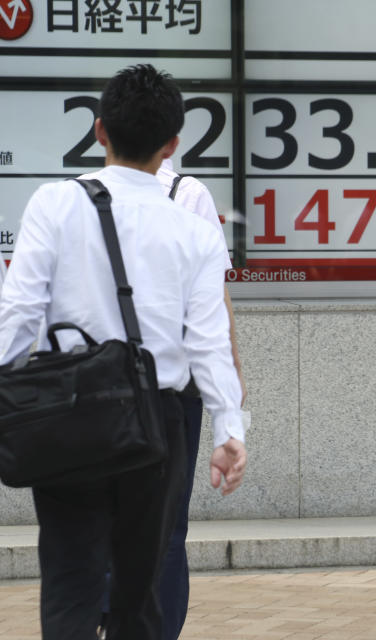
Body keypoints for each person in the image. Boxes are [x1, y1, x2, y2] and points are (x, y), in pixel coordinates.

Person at [0, 64, 246, 639]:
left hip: (69, 410)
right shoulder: (196, 230)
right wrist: (229, 429)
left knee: (69, 581)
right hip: (156, 421)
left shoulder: (54, 204)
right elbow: (208, 342)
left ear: (98, 130)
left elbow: (18, 317)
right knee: (141, 590)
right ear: (173, 143)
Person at [94, 159, 247, 640]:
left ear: (102, 132)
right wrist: (231, 380)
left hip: (98, 384)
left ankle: (109, 616)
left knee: (101, 516)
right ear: (171, 140)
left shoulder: (79, 193)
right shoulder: (189, 192)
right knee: (166, 526)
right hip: (171, 388)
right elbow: (212, 297)